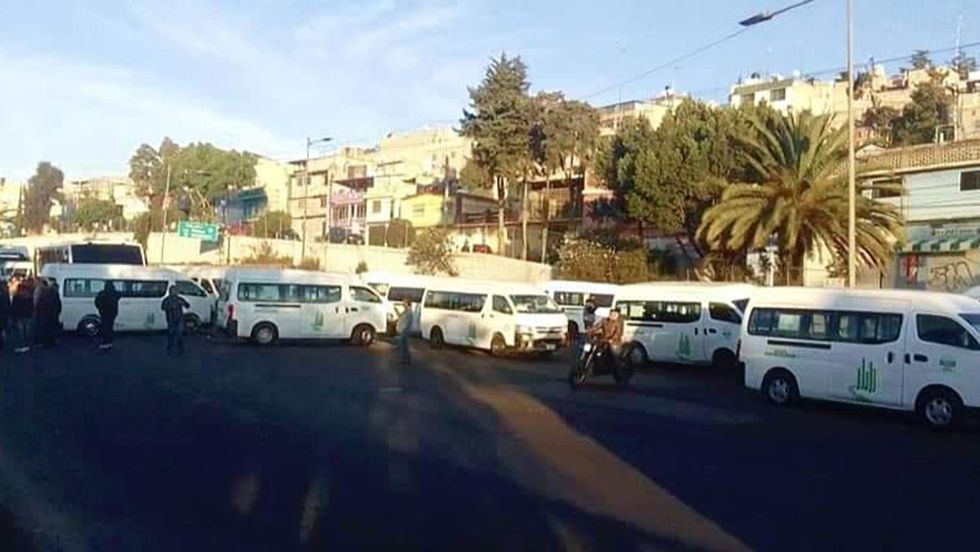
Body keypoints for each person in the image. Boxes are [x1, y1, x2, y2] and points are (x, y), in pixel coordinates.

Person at [161, 285, 190, 356]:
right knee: (172, 335)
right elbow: (163, 307)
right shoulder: (168, 300)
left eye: (175, 291)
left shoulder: (178, 299)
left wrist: (184, 304)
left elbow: (187, 305)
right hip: (172, 319)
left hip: (178, 319)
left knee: (178, 335)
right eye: (173, 291)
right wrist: (171, 307)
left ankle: (178, 349)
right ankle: (171, 349)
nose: (174, 292)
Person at [95, 281, 121, 350]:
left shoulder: (102, 293)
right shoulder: (115, 293)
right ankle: (110, 342)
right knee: (110, 327)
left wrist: (100, 309)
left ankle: (105, 342)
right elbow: (119, 295)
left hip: (104, 313)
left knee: (105, 328)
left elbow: (97, 302)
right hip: (113, 313)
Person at [10, 277, 34, 353]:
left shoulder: (17, 297)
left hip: (20, 315)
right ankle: (28, 343)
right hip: (28, 315)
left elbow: (14, 307)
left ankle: (22, 343)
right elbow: (32, 306)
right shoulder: (29, 296)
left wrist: (13, 316)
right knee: (27, 329)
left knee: (21, 330)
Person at [394, 298, 413, 365]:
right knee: (404, 345)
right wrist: (396, 310)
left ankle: (405, 359)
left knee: (403, 345)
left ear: (407, 303)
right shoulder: (405, 311)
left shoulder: (409, 312)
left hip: (404, 330)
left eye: (404, 303)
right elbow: (400, 317)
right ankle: (406, 359)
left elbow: (408, 322)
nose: (403, 304)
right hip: (402, 330)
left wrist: (404, 329)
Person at [0, 280, 10, 352]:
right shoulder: (6, 293)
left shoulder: (4, 294)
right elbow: (8, 304)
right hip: (4, 313)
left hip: (3, 313)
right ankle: (3, 342)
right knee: (3, 328)